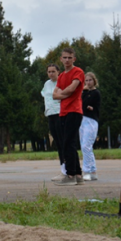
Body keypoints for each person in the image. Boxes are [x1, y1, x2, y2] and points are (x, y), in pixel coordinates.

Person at [52, 47, 84, 186]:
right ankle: (77, 174)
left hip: (74, 111)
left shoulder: (78, 72)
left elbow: (72, 89)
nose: (67, 60)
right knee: (67, 143)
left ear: (74, 59)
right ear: (61, 59)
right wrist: (62, 95)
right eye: (64, 57)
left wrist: (62, 95)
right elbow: (54, 94)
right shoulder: (61, 76)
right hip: (63, 112)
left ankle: (70, 175)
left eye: (69, 58)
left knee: (68, 143)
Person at [41, 63, 65, 182]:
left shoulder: (62, 81)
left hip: (60, 113)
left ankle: (67, 170)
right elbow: (44, 94)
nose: (51, 74)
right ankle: (63, 169)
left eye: (53, 71)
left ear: (58, 72)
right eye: (49, 71)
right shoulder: (46, 84)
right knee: (57, 142)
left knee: (63, 142)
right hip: (50, 114)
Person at [80, 72, 101, 181]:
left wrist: (89, 107)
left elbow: (91, 104)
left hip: (91, 121)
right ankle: (93, 171)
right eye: (86, 80)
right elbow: (81, 103)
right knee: (86, 147)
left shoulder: (96, 93)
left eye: (90, 80)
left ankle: (87, 171)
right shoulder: (84, 92)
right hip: (83, 120)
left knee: (86, 146)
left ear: (94, 81)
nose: (88, 82)